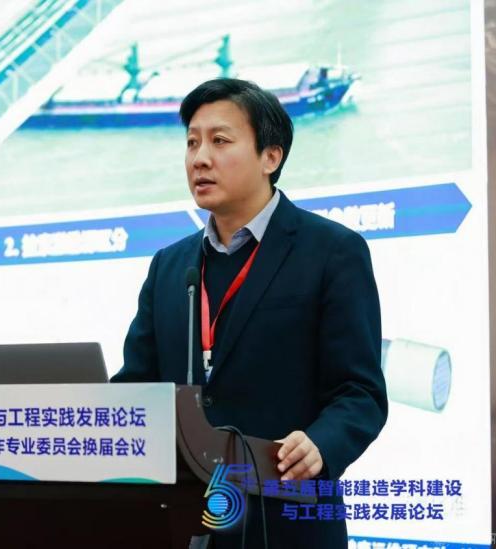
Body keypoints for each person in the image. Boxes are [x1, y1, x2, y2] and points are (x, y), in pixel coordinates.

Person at [110, 78, 388, 547]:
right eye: (192, 143)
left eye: (219, 141)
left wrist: (321, 443)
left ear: (270, 157)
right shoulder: (170, 265)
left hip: (287, 519)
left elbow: (360, 392)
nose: (200, 158)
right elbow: (137, 384)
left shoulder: (332, 251)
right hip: (184, 522)